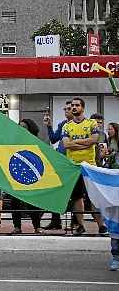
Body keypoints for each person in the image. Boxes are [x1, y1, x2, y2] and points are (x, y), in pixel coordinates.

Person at [62, 97, 107, 235]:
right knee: (77, 197)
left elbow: (94, 140)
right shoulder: (66, 126)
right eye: (72, 106)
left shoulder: (91, 123)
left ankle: (101, 226)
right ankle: (81, 225)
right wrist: (85, 142)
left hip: (90, 166)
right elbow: (66, 144)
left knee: (94, 197)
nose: (74, 107)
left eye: (77, 105)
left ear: (83, 108)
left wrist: (76, 143)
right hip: (73, 167)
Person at [42, 101, 73, 230]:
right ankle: (56, 220)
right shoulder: (62, 124)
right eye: (65, 109)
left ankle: (75, 221)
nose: (66, 111)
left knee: (73, 194)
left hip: (71, 162)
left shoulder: (80, 125)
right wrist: (49, 126)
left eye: (69, 109)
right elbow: (54, 139)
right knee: (55, 190)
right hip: (61, 161)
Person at [11, 119, 44, 234]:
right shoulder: (14, 141)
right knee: (15, 202)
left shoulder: (36, 141)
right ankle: (17, 227)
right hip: (16, 175)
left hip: (31, 175)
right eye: (20, 126)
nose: (21, 128)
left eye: (24, 126)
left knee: (33, 202)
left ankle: (37, 226)